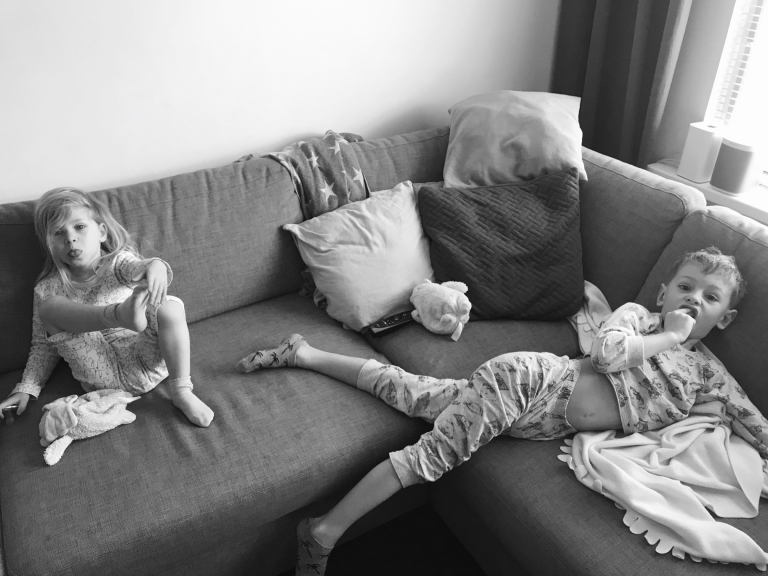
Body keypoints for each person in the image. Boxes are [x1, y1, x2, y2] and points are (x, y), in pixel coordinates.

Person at [237, 246, 768, 576]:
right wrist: (668, 334)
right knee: (432, 457)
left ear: (725, 317)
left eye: (711, 296)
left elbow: (752, 421)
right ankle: (323, 532)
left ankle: (304, 353)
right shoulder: (640, 320)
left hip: (543, 424)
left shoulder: (709, 372)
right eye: (686, 286)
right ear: (664, 292)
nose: (694, 298)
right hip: (533, 380)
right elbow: (606, 355)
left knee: (415, 392)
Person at [0, 188, 214, 428]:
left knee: (170, 306)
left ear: (101, 232)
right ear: (49, 245)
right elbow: (42, 346)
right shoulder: (46, 288)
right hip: (102, 375)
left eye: (79, 227)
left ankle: (182, 391)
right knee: (50, 308)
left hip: (148, 358)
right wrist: (26, 388)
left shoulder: (117, 263)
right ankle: (119, 315)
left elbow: (140, 267)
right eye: (58, 233)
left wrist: (156, 266)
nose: (70, 238)